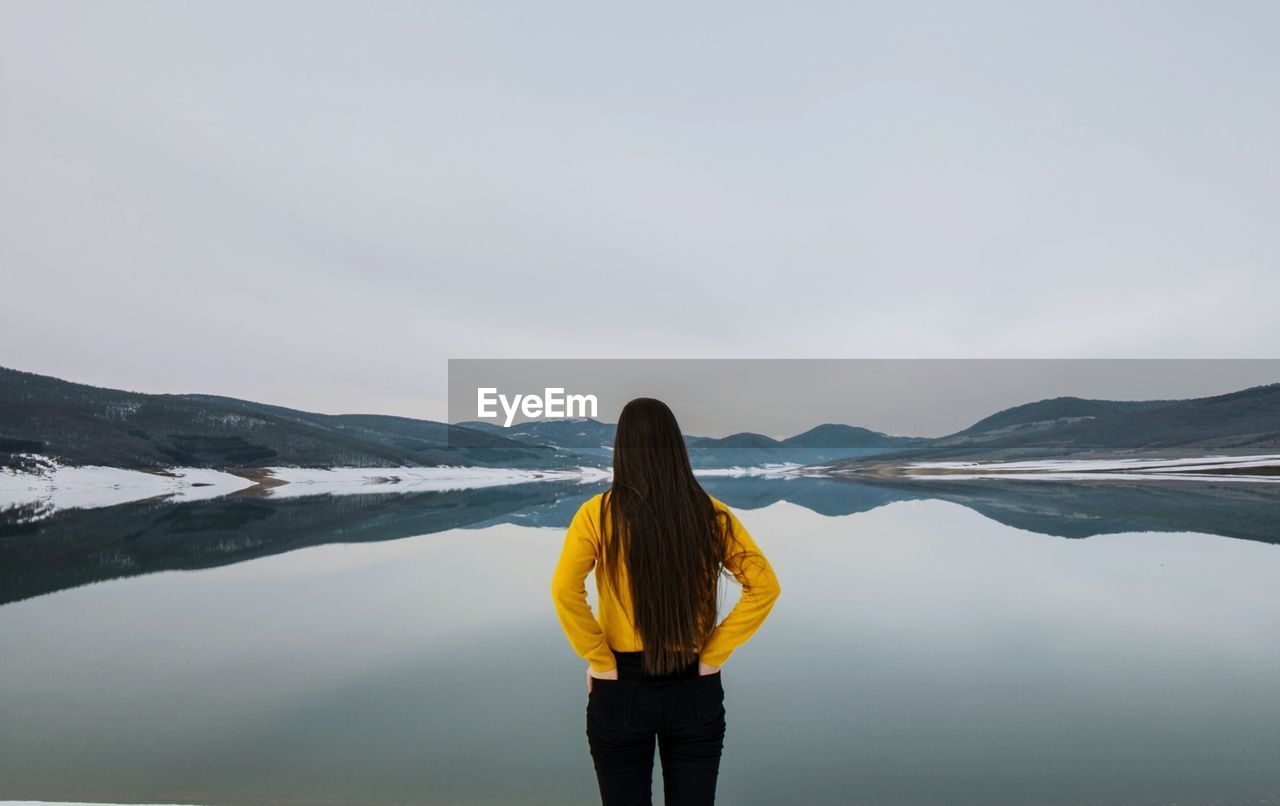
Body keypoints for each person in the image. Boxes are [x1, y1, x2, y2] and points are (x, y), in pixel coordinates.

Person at [550, 397, 782, 806]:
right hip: (694, 683)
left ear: (622, 450)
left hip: (620, 687)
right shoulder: (712, 514)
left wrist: (599, 660)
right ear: (677, 447)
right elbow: (764, 587)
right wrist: (713, 654)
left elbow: (565, 590)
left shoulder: (596, 514)